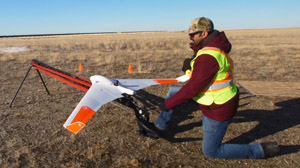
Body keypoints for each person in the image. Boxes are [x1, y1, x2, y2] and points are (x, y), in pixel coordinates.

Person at [153, 17, 280, 159]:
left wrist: (167, 105)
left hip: (218, 106)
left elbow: (192, 88)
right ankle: (159, 126)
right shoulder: (211, 48)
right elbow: (202, 77)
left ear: (204, 34)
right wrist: (189, 68)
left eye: (193, 34)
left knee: (211, 151)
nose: (190, 37)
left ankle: (259, 150)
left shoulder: (208, 56)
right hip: (211, 97)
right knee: (173, 92)